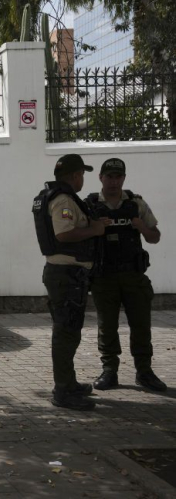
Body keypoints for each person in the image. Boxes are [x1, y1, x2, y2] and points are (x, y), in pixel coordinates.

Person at [33, 154, 109, 411]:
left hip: (67, 274)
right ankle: (63, 391)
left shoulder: (56, 196)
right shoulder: (63, 200)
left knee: (69, 331)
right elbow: (63, 234)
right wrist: (95, 230)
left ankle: (69, 382)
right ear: (75, 175)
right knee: (66, 333)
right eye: (82, 175)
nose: (83, 179)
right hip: (66, 275)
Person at [85, 158, 167, 392]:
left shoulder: (136, 204)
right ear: (100, 177)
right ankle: (109, 371)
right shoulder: (90, 205)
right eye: (109, 176)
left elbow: (155, 236)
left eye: (118, 176)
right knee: (107, 326)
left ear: (123, 178)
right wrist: (94, 227)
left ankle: (144, 372)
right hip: (104, 276)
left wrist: (141, 226)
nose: (113, 181)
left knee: (141, 325)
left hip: (133, 275)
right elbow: (77, 236)